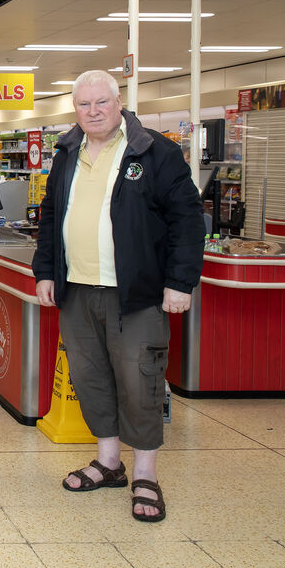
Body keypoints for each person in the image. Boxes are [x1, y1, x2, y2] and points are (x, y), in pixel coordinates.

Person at [32, 70, 204, 523]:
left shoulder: (155, 152)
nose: (92, 112)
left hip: (137, 294)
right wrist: (45, 271)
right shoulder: (66, 152)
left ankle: (145, 472)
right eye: (84, 105)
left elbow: (187, 220)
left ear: (118, 101)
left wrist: (180, 282)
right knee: (90, 380)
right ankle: (109, 462)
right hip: (77, 290)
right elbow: (52, 216)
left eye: (100, 103)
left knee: (140, 381)